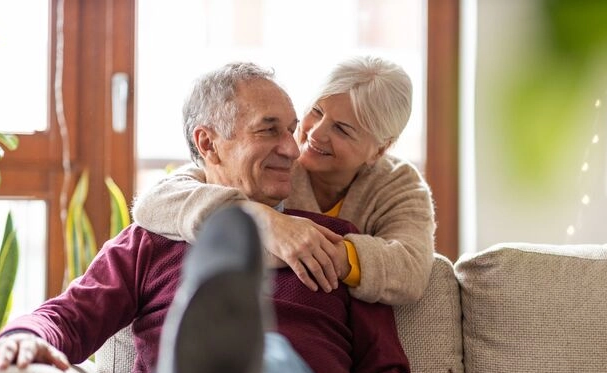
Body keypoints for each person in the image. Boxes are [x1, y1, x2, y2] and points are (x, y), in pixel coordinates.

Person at [0, 62, 439, 373]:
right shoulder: (152, 239)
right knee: (247, 367)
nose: (294, 147)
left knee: (269, 363)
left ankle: (232, 361)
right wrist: (24, 337)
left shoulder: (334, 242)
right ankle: (216, 369)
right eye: (270, 130)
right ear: (208, 144)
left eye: (290, 127)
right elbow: (68, 317)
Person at [132, 56, 435, 306]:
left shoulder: (398, 185)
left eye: (342, 129)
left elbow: (410, 269)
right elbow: (158, 200)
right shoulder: (276, 157)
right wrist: (261, 219)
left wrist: (315, 250)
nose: (314, 134)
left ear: (380, 149)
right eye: (316, 111)